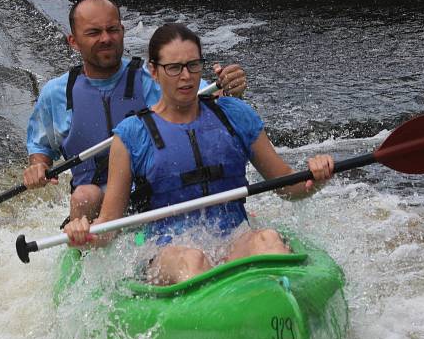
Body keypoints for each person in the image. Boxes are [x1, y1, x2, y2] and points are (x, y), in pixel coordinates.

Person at [63, 23, 335, 285]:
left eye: (193, 65)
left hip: (233, 239)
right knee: (192, 261)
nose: (186, 76)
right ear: (154, 71)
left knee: (268, 240)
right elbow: (110, 225)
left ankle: (276, 305)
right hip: (166, 251)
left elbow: (289, 184)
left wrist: (317, 177)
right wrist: (84, 234)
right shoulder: (131, 135)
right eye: (174, 68)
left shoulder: (234, 115)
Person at [23, 0, 248, 223]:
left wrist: (228, 88)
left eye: (112, 30)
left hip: (156, 192)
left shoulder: (154, 76)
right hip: (96, 200)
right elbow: (40, 146)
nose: (105, 39)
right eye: (94, 33)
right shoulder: (56, 93)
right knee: (84, 196)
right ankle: (87, 247)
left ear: (122, 30)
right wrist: (38, 167)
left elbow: (207, 96)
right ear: (73, 41)